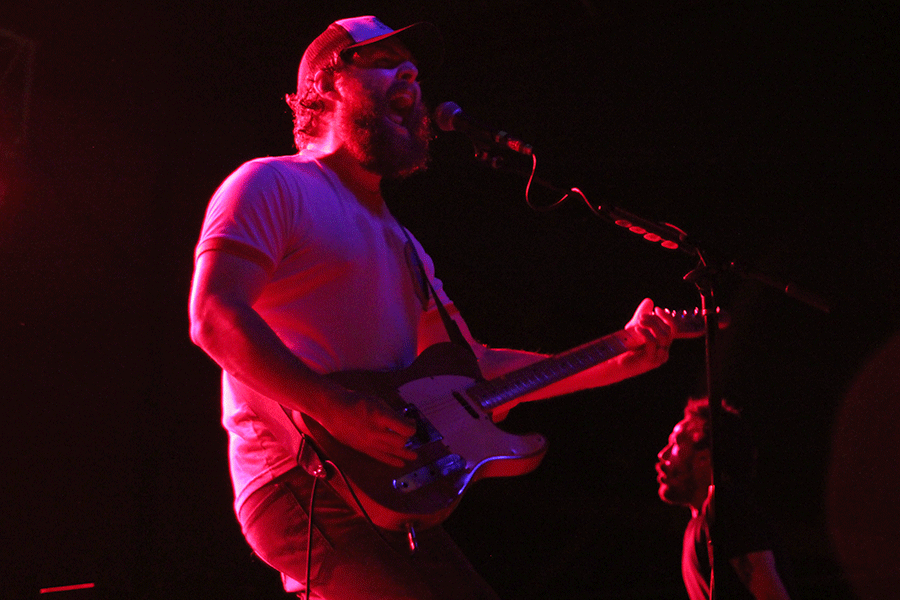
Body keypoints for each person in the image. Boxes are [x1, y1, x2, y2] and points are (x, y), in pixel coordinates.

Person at [189, 15, 676, 600]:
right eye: (387, 58)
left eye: (414, 67)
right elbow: (214, 315)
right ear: (328, 81)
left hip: (389, 492)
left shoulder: (405, 245)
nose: (413, 74)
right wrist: (335, 410)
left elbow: (476, 369)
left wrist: (622, 355)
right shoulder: (270, 185)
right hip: (301, 478)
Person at [656, 397, 793, 600]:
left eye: (676, 442)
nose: (663, 455)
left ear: (705, 457)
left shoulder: (730, 515)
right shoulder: (705, 523)